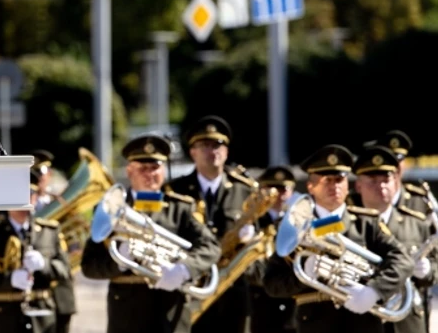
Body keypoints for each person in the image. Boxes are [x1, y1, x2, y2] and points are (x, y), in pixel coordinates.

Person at [262, 144, 413, 333]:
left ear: (347, 185)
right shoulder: (294, 227)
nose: (334, 186)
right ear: (311, 186)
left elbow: (402, 260)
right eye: (327, 180)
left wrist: (374, 291)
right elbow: (271, 284)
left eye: (339, 179)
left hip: (363, 324)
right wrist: (301, 276)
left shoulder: (366, 223)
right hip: (314, 325)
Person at [81, 134, 221, 333]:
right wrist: (119, 261)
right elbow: (89, 267)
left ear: (163, 171)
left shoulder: (180, 208)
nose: (150, 174)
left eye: (155, 167)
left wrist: (184, 270)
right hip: (127, 316)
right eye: (143, 168)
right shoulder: (110, 210)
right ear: (129, 171)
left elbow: (211, 246)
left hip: (171, 312)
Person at [165, 115, 256, 333]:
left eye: (218, 145)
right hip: (189, 289)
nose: (213, 151)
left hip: (234, 292)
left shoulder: (245, 191)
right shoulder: (175, 190)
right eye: (205, 145)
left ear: (226, 151)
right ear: (192, 152)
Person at [0, 169, 71, 333]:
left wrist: (44, 265)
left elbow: (64, 270)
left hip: (43, 317)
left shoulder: (49, 231)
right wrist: (9, 280)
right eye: (17, 196)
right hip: (6, 318)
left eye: (30, 195)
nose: (24, 202)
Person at [351, 145, 437, 333]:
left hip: (407, 321)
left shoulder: (416, 223)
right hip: (362, 320)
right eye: (372, 180)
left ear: (396, 181)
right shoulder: (350, 225)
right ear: (358, 185)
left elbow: (435, 267)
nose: (381, 186)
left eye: (386, 179)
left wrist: (429, 271)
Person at [246, 166, 298, 333]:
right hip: (258, 299)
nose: (279, 193)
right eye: (272, 188)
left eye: (284, 188)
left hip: (289, 298)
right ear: (262, 189)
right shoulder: (252, 222)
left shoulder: (296, 223)